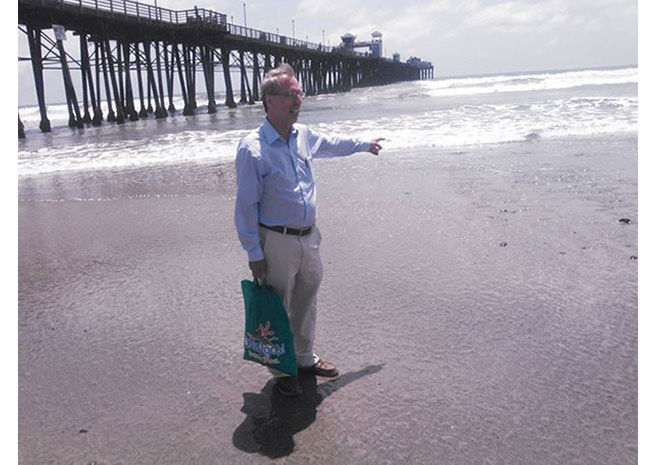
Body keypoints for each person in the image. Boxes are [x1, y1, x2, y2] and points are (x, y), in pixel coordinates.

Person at [234, 63, 384, 397]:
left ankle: (303, 357)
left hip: (308, 236)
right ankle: (280, 369)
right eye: (291, 94)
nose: (298, 100)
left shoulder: (303, 135)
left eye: (299, 94)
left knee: (307, 296)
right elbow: (245, 207)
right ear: (270, 100)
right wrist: (254, 253)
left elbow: (332, 144)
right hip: (275, 240)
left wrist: (363, 144)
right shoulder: (252, 148)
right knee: (278, 303)